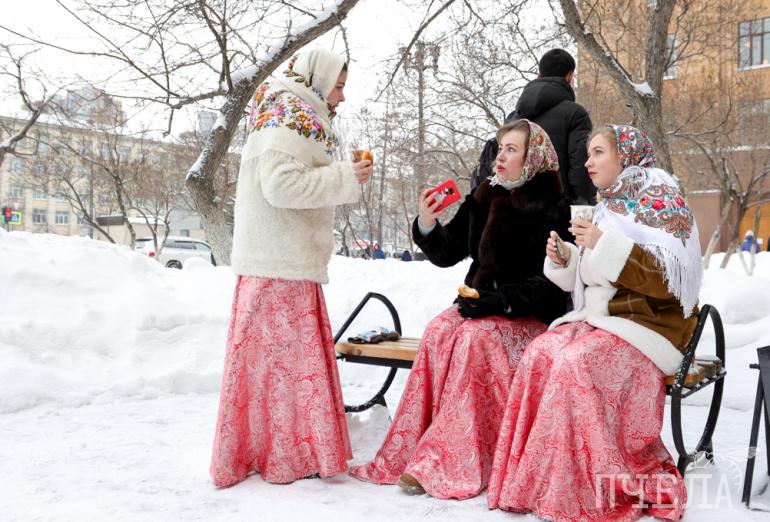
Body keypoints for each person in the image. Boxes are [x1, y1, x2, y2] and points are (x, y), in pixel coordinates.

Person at [488, 125, 703, 521]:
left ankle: (594, 484)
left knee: (576, 363)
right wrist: (567, 259)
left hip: (650, 328)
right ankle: (539, 481)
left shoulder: (662, 202)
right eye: (588, 153)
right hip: (605, 320)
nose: (588, 162)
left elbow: (668, 283)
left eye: (598, 152)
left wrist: (602, 244)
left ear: (626, 157)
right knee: (539, 355)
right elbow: (599, 276)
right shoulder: (609, 204)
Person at [349, 119, 571, 499]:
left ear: (533, 157)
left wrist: (500, 301)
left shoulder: (553, 207)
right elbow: (448, 250)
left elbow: (552, 285)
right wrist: (427, 223)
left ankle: (453, 459)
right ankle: (414, 449)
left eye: (512, 150)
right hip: (479, 305)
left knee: (474, 339)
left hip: (528, 316)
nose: (500, 157)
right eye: (500, 149)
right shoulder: (485, 195)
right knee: (438, 330)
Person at [210, 50, 373, 487]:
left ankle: (278, 452)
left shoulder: (291, 111)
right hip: (278, 267)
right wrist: (343, 177)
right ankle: (285, 456)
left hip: (281, 263)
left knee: (279, 370)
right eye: (339, 86)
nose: (341, 97)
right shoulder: (288, 116)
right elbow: (281, 186)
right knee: (285, 372)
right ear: (319, 79)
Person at [472, 49, 594, 205]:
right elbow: (580, 168)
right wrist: (583, 207)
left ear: (539, 74)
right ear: (570, 76)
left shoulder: (513, 117)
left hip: (515, 208)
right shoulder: (576, 115)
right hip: (556, 210)